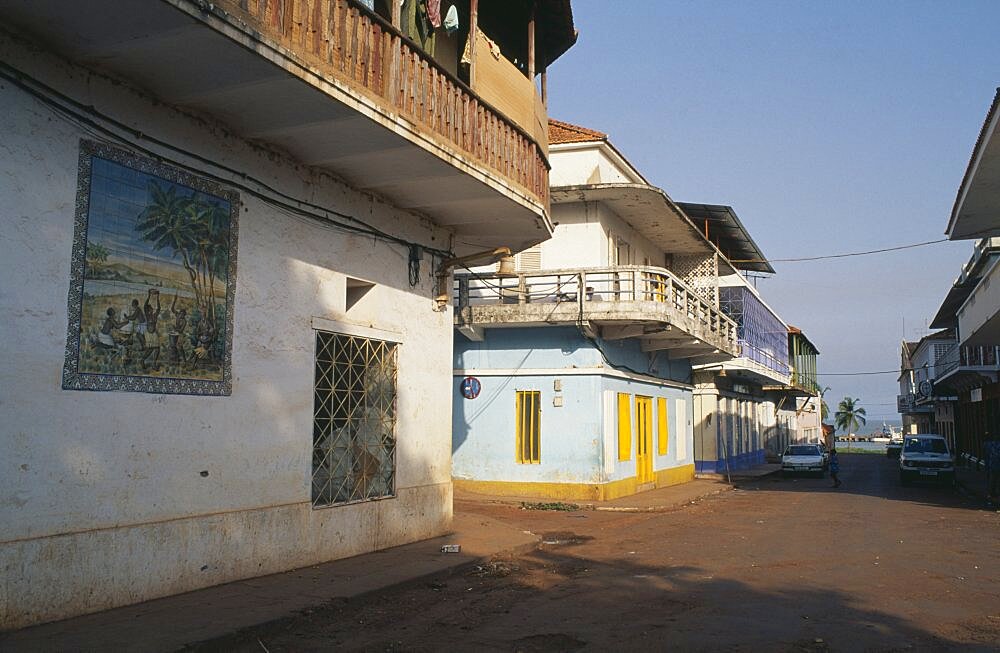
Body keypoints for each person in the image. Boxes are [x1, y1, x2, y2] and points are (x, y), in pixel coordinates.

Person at [986, 439, 1000, 506]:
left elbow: (987, 454)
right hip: (995, 464)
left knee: (993, 479)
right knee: (995, 479)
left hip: (992, 464)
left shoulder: (989, 444)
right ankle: (992, 493)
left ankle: (992, 493)